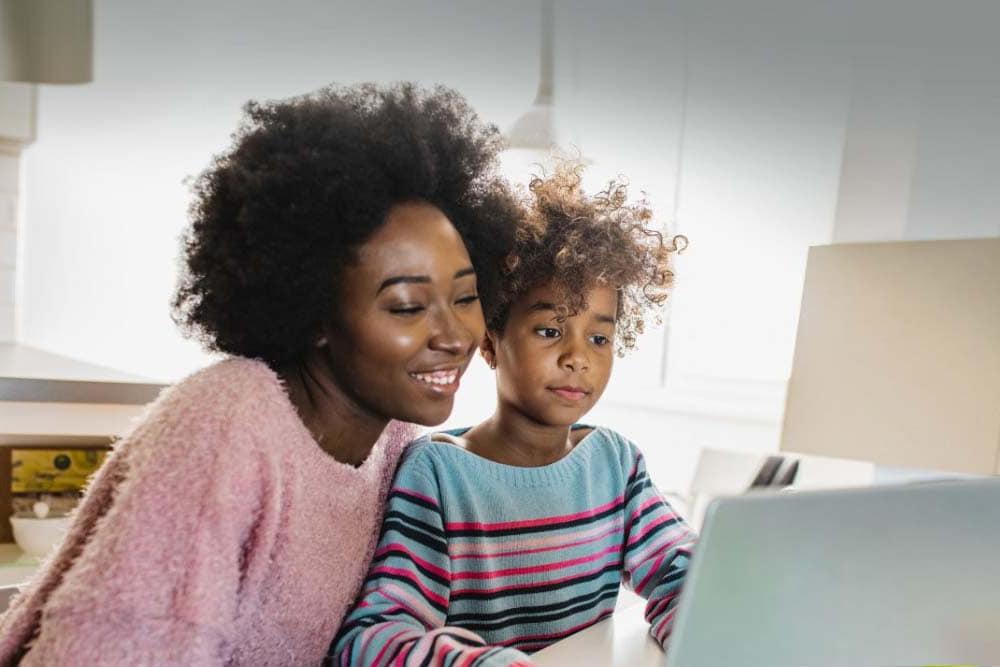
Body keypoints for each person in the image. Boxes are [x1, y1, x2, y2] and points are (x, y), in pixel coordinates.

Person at [0, 83, 519, 666]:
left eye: (467, 297)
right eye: (405, 306)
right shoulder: (226, 423)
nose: (453, 336)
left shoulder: (395, 441)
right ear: (314, 310)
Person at [331, 160, 697, 665]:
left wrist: (699, 627)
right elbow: (373, 637)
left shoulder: (616, 464)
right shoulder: (437, 474)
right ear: (489, 340)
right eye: (550, 331)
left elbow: (683, 571)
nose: (578, 357)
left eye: (599, 337)